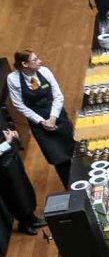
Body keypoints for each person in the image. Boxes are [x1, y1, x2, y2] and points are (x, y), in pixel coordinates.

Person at [7, 49, 77, 185]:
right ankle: (70, 187)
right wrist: (41, 121)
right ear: (25, 64)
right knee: (58, 157)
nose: (40, 61)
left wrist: (52, 118)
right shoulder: (13, 79)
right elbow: (19, 105)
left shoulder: (44, 71)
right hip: (39, 124)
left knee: (73, 150)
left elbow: (58, 96)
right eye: (34, 60)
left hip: (57, 117)